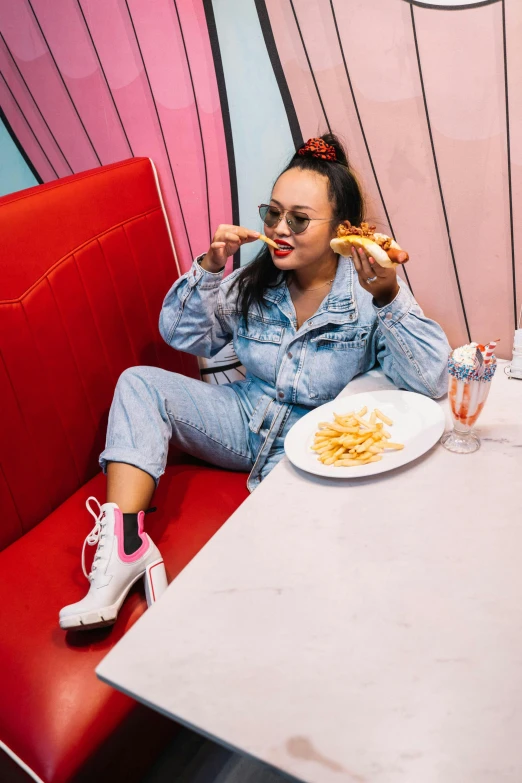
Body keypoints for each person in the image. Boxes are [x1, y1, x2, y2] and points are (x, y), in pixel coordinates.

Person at [59, 134, 450, 630]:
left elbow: (432, 377)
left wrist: (390, 294)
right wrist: (209, 266)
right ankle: (126, 549)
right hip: (244, 418)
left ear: (341, 230)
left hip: (313, 447)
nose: (280, 230)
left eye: (299, 219)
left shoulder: (369, 287)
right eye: (273, 214)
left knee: (291, 593)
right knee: (139, 382)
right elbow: (181, 334)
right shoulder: (251, 283)